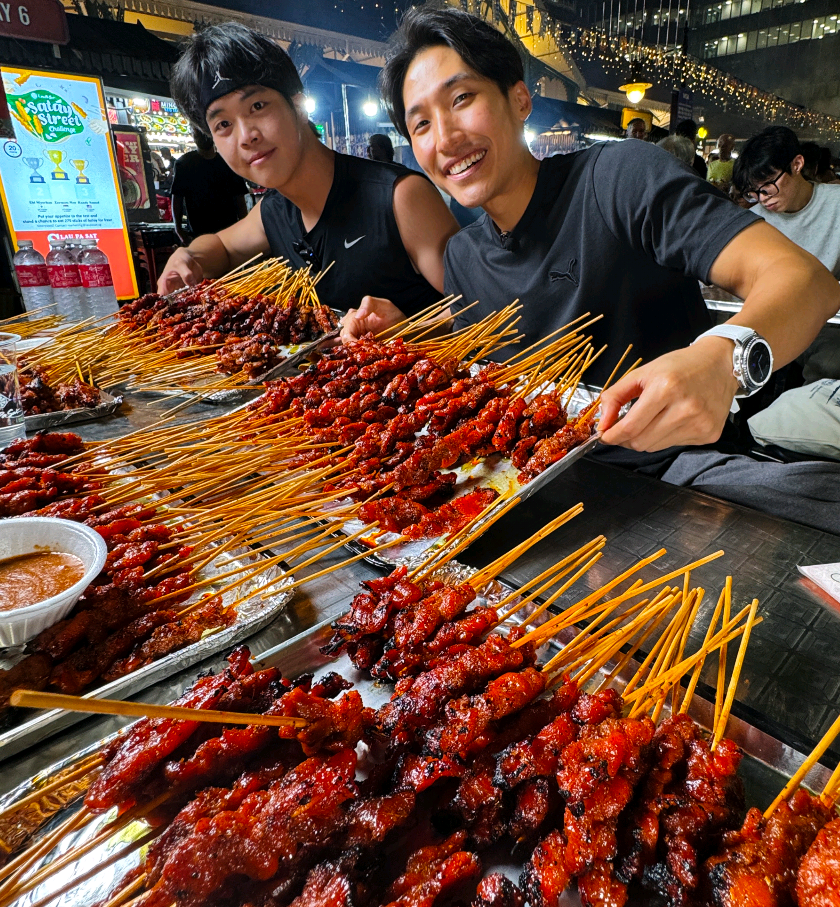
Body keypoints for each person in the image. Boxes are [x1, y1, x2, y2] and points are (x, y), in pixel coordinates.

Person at [344, 9, 840, 531]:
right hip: (539, 504)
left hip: (683, 477)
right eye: (421, 123)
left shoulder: (617, 178)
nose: (444, 138)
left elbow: (806, 281)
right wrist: (409, 338)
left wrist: (720, 359)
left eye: (461, 99)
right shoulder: (463, 257)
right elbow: (492, 378)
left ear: (518, 100)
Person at [158, 22, 458, 316]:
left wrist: (408, 330)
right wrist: (188, 256)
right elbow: (221, 245)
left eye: (258, 106)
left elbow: (481, 306)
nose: (246, 135)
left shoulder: (398, 198)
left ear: (298, 104)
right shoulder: (273, 213)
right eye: (223, 124)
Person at [734, 126, 840, 456]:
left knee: (828, 361)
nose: (764, 199)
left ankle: (803, 448)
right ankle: (742, 437)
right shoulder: (754, 220)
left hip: (827, 319)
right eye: (754, 192)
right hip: (773, 318)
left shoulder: (835, 204)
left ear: (796, 164)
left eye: (769, 185)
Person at [171, 129, 249, 242]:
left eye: (203, 131)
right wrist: (178, 228)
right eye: (197, 132)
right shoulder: (184, 163)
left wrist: (244, 227)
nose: (202, 136)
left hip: (229, 231)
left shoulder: (229, 162)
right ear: (192, 135)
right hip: (199, 233)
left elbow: (239, 199)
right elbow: (177, 198)